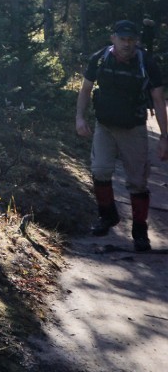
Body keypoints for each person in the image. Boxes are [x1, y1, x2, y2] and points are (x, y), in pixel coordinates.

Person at [76, 19, 168, 251]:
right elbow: (85, 89)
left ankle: (139, 231)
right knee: (100, 171)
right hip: (104, 126)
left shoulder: (146, 63)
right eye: (122, 39)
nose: (127, 44)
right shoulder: (99, 59)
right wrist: (80, 117)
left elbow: (158, 100)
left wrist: (164, 137)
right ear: (113, 38)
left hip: (134, 129)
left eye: (131, 40)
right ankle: (107, 216)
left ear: (136, 41)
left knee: (137, 182)